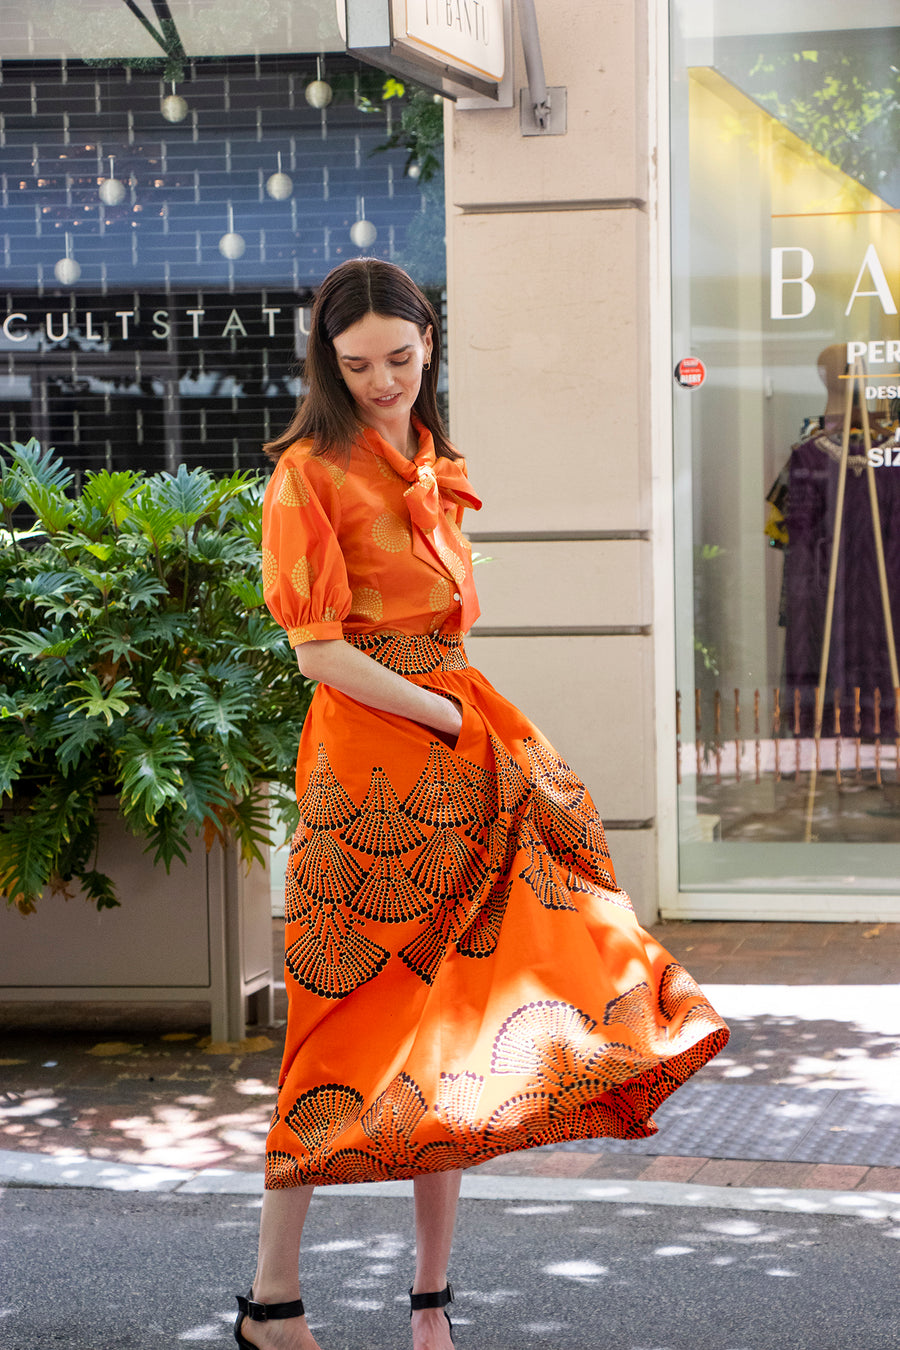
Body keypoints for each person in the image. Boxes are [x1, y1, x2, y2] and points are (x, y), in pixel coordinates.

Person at [238, 258, 729, 1350]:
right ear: (328, 359)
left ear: (429, 344)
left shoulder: (430, 460)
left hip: (462, 750)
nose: (381, 381)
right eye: (356, 364)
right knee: (336, 1019)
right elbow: (320, 654)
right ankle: (271, 1301)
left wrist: (467, 725)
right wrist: (449, 717)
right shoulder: (307, 475)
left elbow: (448, 622)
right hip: (374, 769)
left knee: (456, 1027)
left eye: (401, 360)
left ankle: (430, 1305)